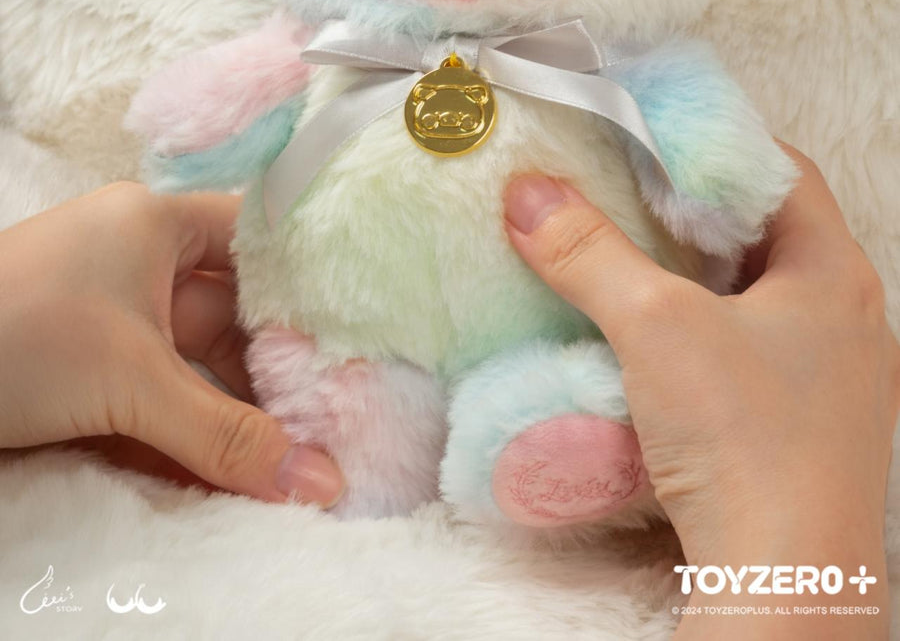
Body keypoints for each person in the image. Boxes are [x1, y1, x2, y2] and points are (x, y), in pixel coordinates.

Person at [0, 144, 895, 636]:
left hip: (550, 341)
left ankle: (555, 431)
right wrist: (806, 546)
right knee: (336, 360)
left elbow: (715, 162)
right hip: (358, 343)